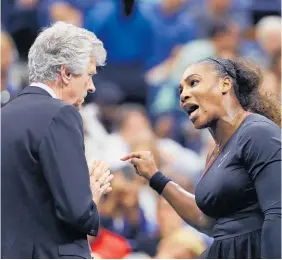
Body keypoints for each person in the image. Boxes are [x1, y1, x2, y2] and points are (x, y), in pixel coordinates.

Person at [121, 57, 281, 258]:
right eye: (180, 91)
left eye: (193, 83)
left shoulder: (258, 132)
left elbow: (278, 213)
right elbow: (207, 221)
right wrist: (155, 177)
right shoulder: (214, 154)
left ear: (225, 84)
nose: (184, 95)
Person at [1, 22, 113, 259]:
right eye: (89, 75)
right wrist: (91, 192)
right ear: (66, 73)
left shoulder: (4, 115)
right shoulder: (61, 113)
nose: (92, 87)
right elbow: (78, 214)